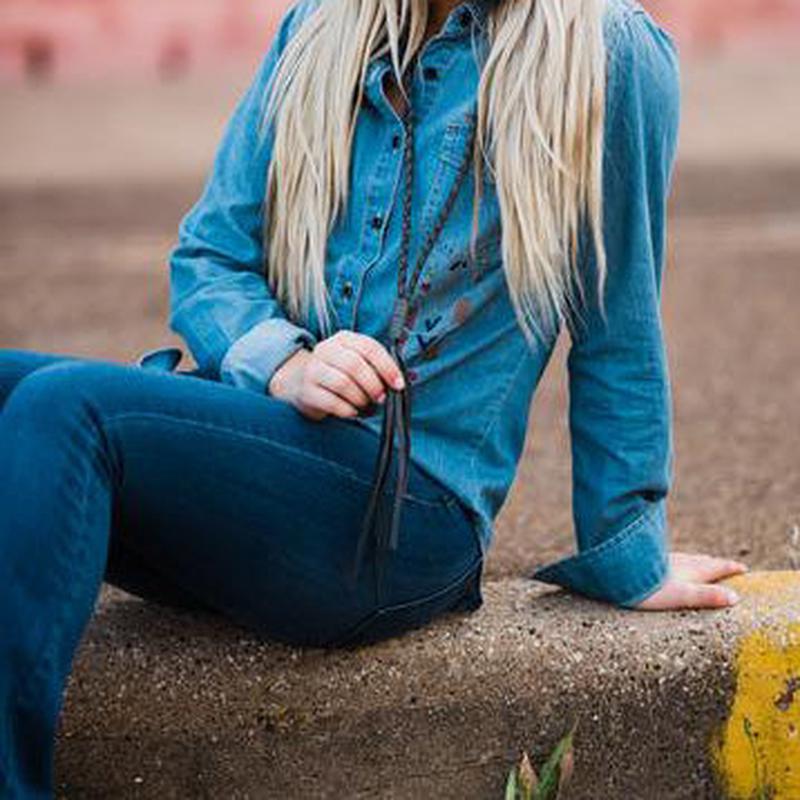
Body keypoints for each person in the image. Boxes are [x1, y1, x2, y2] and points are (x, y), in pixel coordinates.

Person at [0, 0, 748, 794]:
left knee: (68, 408)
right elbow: (210, 255)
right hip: (266, 462)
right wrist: (284, 363)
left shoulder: (608, 50)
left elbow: (617, 322)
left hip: (406, 519)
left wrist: (628, 549)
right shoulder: (320, 27)